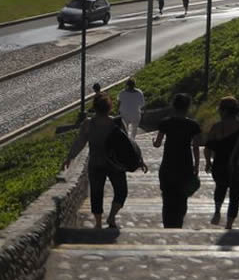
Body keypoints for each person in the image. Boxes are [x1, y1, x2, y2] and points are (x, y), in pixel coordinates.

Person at [63, 94, 145, 229]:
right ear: (109, 108)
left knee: (96, 193)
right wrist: (139, 160)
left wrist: (70, 157)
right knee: (121, 191)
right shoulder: (117, 122)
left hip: (96, 163)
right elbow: (128, 145)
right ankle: (112, 217)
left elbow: (80, 143)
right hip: (116, 165)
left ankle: (98, 223)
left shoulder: (88, 124)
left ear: (94, 108)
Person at [204, 96, 239, 229]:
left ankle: (217, 211)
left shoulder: (217, 127)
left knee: (220, 188)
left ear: (223, 111)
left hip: (220, 165)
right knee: (235, 196)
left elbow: (208, 148)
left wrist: (207, 162)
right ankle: (229, 224)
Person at [153, 94, 202, 228]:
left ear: (174, 106)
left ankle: (167, 223)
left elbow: (157, 143)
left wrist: (154, 142)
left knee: (167, 196)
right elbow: (196, 147)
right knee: (182, 196)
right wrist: (197, 166)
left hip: (168, 164)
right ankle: (178, 222)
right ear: (187, 107)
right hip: (185, 165)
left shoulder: (165, 123)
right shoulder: (193, 125)